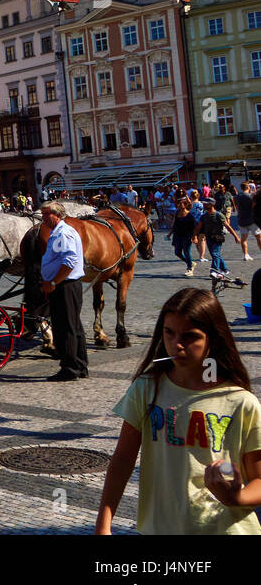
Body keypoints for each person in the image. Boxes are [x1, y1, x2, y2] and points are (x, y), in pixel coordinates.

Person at [95, 288, 261, 535]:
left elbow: (258, 481)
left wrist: (234, 497)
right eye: (169, 333)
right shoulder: (146, 390)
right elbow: (122, 461)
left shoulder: (241, 402)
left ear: (213, 339)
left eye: (190, 336)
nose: (177, 345)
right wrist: (103, 525)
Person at [39, 201, 89, 379]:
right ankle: (80, 366)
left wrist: (52, 282)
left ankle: (69, 369)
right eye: (42, 214)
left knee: (64, 327)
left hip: (64, 285)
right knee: (74, 326)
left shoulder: (63, 233)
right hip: (64, 284)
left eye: (46, 214)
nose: (43, 218)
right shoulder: (57, 232)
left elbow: (69, 262)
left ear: (58, 215)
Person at [195, 197, 238, 276]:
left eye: (205, 204)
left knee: (215, 254)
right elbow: (199, 226)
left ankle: (214, 271)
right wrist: (194, 236)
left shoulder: (219, 215)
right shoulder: (204, 216)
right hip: (208, 238)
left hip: (218, 237)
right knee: (216, 254)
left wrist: (236, 236)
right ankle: (225, 269)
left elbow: (228, 226)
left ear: (211, 205)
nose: (203, 205)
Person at [171, 199, 197, 276]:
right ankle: (190, 263)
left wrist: (194, 237)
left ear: (185, 205)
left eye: (180, 203)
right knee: (177, 252)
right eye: (178, 203)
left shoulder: (190, 215)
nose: (179, 205)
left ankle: (189, 269)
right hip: (177, 235)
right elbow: (174, 225)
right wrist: (170, 234)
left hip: (187, 236)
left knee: (186, 251)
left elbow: (195, 227)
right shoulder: (177, 213)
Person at [235, 182, 258, 262]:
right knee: (258, 238)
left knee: (243, 238)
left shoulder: (238, 196)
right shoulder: (251, 196)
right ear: (248, 187)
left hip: (242, 219)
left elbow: (237, 206)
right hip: (252, 219)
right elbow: (253, 206)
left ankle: (246, 254)